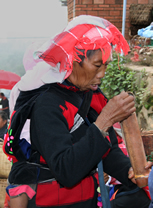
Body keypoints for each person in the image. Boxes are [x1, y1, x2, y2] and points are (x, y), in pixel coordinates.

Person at [3, 15, 152, 208]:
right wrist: (105, 121)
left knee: (140, 199)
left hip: (85, 200)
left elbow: (108, 151)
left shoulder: (91, 95)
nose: (102, 74)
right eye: (97, 65)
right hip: (51, 201)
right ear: (72, 60)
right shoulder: (46, 104)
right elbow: (66, 171)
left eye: (105, 66)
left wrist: (130, 171)